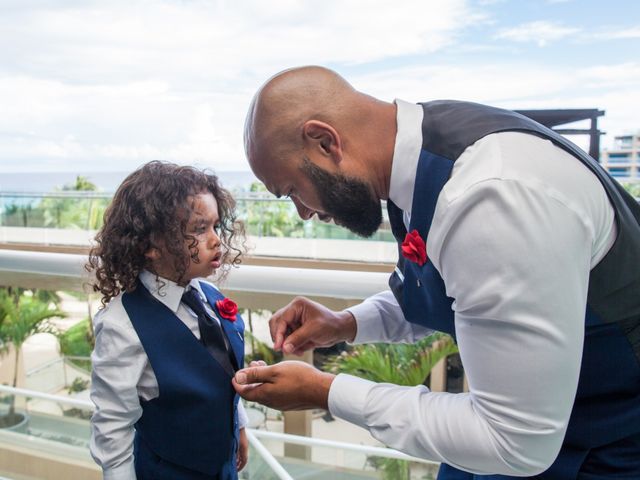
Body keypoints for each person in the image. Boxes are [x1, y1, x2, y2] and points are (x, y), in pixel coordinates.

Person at [234, 66, 640, 479]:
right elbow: (461, 289)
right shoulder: (409, 162)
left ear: (325, 141)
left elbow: (516, 441)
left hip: (601, 445)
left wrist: (326, 391)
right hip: (524, 434)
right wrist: (346, 323)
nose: (303, 213)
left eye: (291, 190)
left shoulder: (491, 196)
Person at [88, 161, 249, 480]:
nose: (216, 240)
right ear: (150, 245)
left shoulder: (211, 295)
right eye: (199, 229)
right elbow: (112, 429)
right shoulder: (123, 325)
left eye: (216, 226)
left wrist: (239, 426)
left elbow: (221, 375)